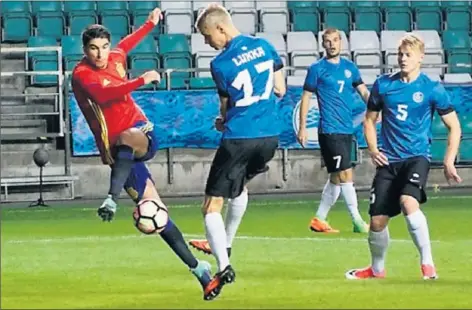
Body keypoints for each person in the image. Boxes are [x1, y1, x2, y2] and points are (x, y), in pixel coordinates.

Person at [71, 9, 219, 301]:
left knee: (127, 138)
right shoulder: (82, 75)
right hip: (118, 154)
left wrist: (151, 23)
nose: (100, 54)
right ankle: (199, 270)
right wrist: (141, 80)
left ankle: (111, 198)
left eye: (103, 47)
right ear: (85, 50)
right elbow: (104, 96)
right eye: (93, 48)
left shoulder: (115, 56)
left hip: (141, 133)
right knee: (156, 213)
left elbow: (128, 42)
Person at [345, 33, 462, 280]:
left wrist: (449, 160)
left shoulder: (431, 89)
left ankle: (427, 264)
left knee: (409, 202)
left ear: (421, 57)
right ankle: (376, 270)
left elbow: (455, 125)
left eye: (408, 54)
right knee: (377, 222)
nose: (402, 58)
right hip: (389, 160)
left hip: (417, 157)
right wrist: (374, 150)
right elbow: (369, 120)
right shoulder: (383, 85)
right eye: (400, 54)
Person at [189, 3, 286, 299]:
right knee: (238, 187)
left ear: (220, 28)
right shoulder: (266, 46)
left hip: (239, 136)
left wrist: (223, 121)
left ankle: (224, 265)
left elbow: (226, 107)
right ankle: (226, 242)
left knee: (211, 206)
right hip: (269, 137)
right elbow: (280, 89)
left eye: (208, 37)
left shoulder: (220, 64)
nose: (208, 43)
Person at [297, 28, 370, 234]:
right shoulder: (317, 69)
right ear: (323, 44)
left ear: (341, 42)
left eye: (335, 40)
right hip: (330, 129)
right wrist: (303, 127)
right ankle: (357, 221)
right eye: (327, 41)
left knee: (337, 177)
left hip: (346, 128)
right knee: (346, 174)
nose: (332, 44)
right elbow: (306, 97)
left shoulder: (350, 68)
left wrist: (374, 108)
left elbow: (363, 91)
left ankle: (319, 218)